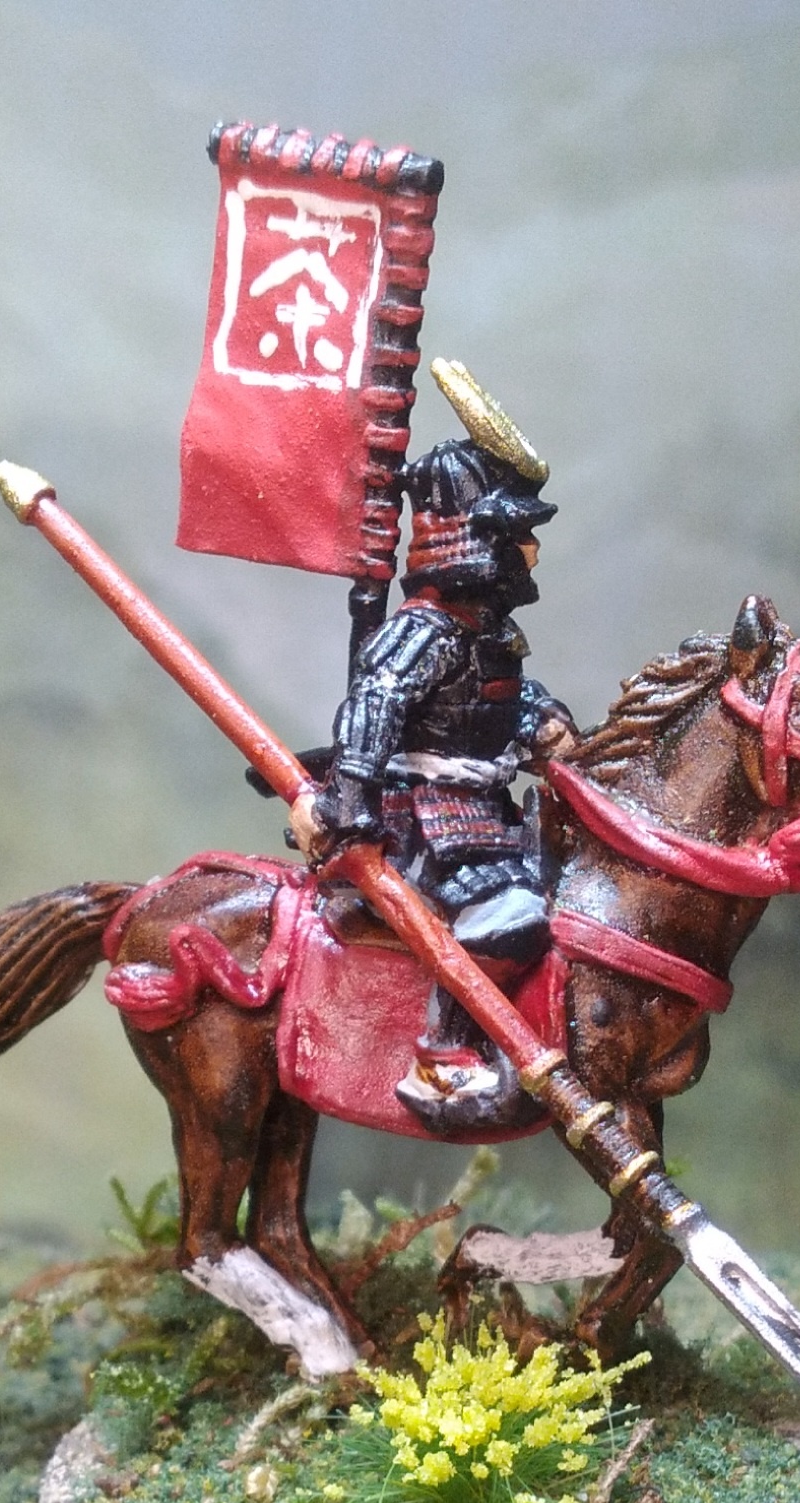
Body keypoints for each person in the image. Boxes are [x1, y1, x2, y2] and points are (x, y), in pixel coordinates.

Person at [290, 361, 577, 1131]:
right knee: (513, 916)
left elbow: (496, 700)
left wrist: (543, 721)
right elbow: (374, 704)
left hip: (486, 808)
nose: (533, 553)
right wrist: (350, 800)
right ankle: (443, 1056)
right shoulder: (423, 630)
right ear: (479, 538)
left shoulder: (486, 631)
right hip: (424, 817)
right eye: (520, 536)